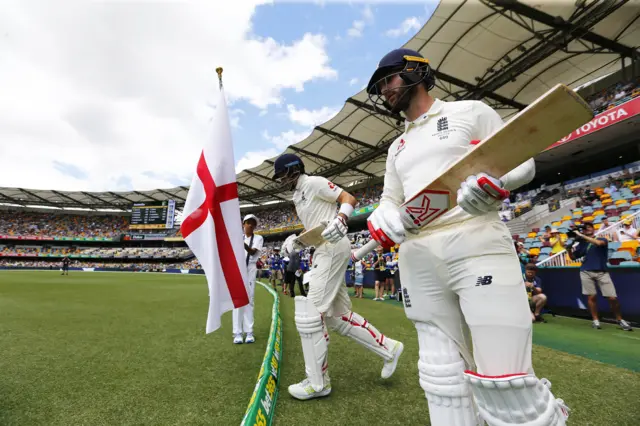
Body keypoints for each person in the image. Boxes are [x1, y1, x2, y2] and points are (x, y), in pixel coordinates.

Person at [364, 48, 569, 425]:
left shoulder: (469, 111)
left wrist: (494, 181)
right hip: (418, 255)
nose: (385, 90)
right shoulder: (397, 148)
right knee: (441, 376)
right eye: (379, 86)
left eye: (388, 79)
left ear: (416, 71)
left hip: (475, 239)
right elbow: (389, 200)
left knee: (508, 385)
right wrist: (385, 215)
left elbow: (521, 160)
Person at [273, 153, 404, 401]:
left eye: (281, 175)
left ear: (293, 170)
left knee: (310, 315)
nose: (280, 180)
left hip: (332, 247)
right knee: (337, 317)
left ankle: (318, 383)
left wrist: (342, 217)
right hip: (322, 248)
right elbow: (316, 225)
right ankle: (389, 348)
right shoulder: (297, 195)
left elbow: (348, 198)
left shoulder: (312, 182)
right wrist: (298, 240)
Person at [567, 222, 632, 331]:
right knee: (591, 297)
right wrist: (568, 249)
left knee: (612, 297)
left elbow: (598, 243)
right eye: (584, 228)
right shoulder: (582, 244)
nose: (586, 229)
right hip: (586, 271)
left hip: (602, 271)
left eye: (588, 227)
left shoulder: (602, 239)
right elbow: (573, 257)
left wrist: (582, 235)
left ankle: (620, 319)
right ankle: (596, 320)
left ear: (593, 229)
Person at [232, 214, 264, 344]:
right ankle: (237, 332)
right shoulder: (238, 238)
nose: (250, 225)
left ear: (255, 226)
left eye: (253, 223)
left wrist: (240, 243)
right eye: (248, 222)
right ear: (243, 224)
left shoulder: (258, 238)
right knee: (237, 301)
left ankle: (249, 332)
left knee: (249, 300)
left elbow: (252, 252)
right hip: (238, 269)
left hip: (250, 268)